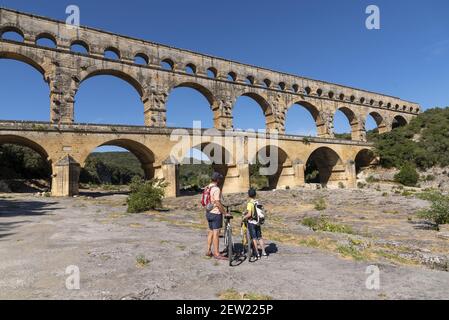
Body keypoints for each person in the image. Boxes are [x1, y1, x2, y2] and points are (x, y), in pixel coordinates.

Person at [205, 172, 228, 261]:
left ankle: (208, 251)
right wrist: (224, 213)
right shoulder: (216, 189)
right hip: (215, 213)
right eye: (219, 179)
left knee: (210, 231)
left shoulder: (207, 187)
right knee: (216, 233)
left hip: (208, 213)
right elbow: (218, 202)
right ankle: (217, 253)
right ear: (217, 180)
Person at [243, 188, 268, 259]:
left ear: (248, 195)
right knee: (260, 237)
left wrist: (244, 217)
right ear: (255, 194)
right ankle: (264, 253)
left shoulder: (250, 203)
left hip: (252, 222)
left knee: (254, 238)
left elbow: (249, 214)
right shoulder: (257, 202)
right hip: (258, 222)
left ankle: (257, 254)